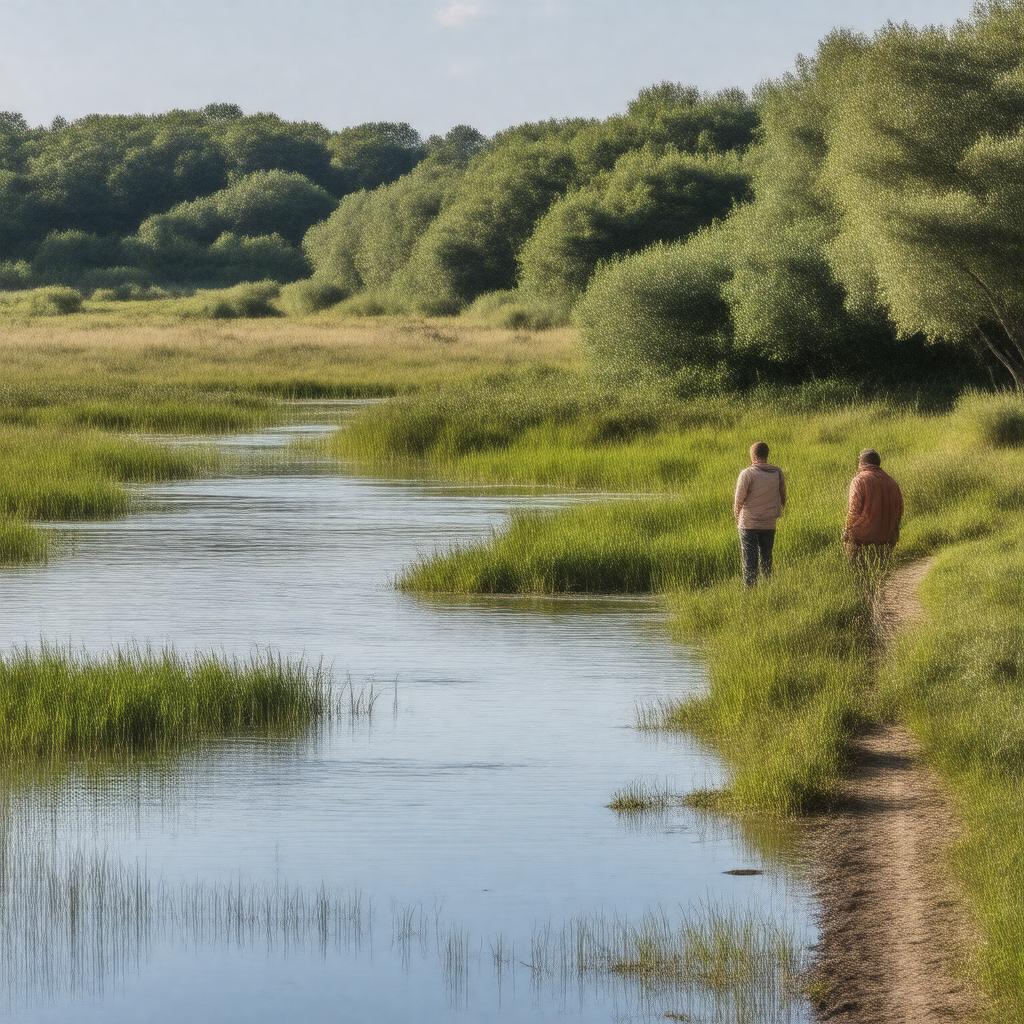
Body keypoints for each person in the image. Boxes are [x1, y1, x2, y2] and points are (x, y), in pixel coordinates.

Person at [733, 441, 786, 587]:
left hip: (749, 524)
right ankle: (768, 589)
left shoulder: (747, 474)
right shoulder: (777, 472)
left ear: (752, 456)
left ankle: (750, 593)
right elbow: (783, 497)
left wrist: (738, 519)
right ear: (766, 455)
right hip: (769, 524)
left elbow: (738, 500)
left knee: (750, 562)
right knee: (767, 560)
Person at [843, 449, 904, 564]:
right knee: (883, 569)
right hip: (887, 536)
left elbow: (853, 510)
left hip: (862, 536)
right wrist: (893, 532)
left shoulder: (859, 480)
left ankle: (857, 577)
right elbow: (900, 510)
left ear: (862, 463)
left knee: (852, 561)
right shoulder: (892, 482)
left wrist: (846, 530)